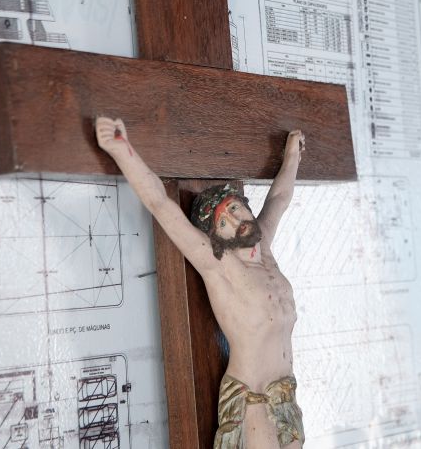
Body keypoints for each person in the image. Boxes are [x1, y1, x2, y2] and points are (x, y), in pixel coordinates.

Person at [95, 117, 305, 448]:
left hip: (285, 392)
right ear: (215, 239)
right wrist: (121, 149)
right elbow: (160, 204)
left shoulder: (263, 248)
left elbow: (279, 198)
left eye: (235, 208)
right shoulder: (220, 265)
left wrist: (292, 154)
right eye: (223, 223)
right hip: (254, 399)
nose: (235, 220)